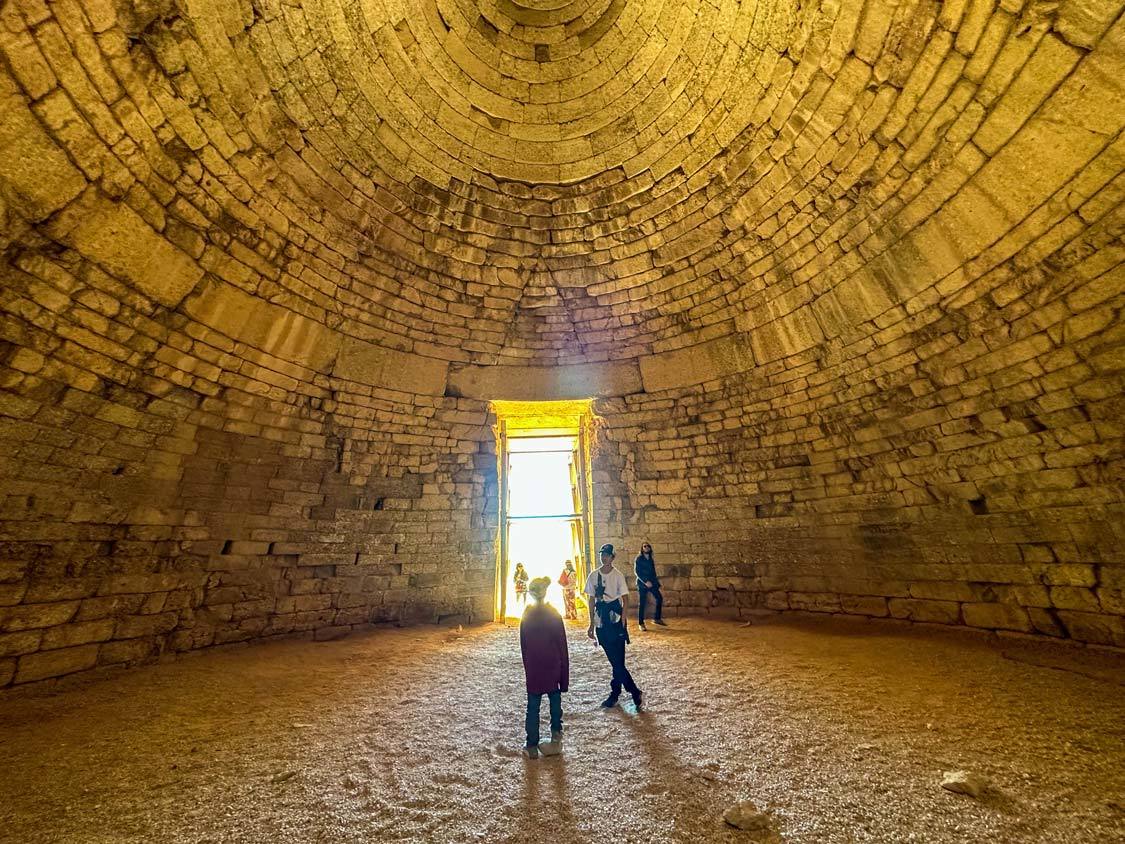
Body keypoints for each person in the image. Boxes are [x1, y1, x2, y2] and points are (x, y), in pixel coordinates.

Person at [585, 543, 642, 710]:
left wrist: (623, 620)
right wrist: (591, 623)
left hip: (615, 618)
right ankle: (632, 692)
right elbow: (591, 599)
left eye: (607, 555)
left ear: (612, 557)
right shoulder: (593, 575)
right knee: (615, 661)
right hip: (601, 619)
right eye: (602, 554)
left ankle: (617, 694)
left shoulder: (617, 576)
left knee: (618, 661)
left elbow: (625, 599)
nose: (604, 557)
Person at [520, 576, 569, 759]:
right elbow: (562, 646)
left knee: (533, 706)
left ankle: (531, 744)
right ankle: (556, 738)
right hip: (552, 665)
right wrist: (564, 678)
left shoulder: (527, 614)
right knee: (555, 702)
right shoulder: (553, 613)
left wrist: (528, 667)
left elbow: (523, 646)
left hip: (534, 666)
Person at [634, 541, 666, 630]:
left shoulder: (650, 558)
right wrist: (645, 581)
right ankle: (641, 623)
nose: (646, 547)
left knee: (659, 598)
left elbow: (653, 572)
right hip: (642, 584)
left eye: (648, 546)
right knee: (642, 603)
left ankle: (657, 618)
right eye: (644, 546)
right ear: (642, 548)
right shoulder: (639, 559)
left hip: (652, 583)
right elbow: (637, 572)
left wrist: (657, 584)